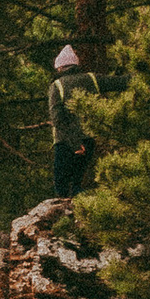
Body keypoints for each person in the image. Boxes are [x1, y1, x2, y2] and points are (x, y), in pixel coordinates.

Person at [48, 43, 99, 201]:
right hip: (88, 139)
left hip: (65, 142)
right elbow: (120, 82)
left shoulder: (57, 86)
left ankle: (65, 220)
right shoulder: (91, 79)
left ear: (60, 68)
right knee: (79, 183)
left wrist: (75, 144)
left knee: (62, 188)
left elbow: (58, 120)